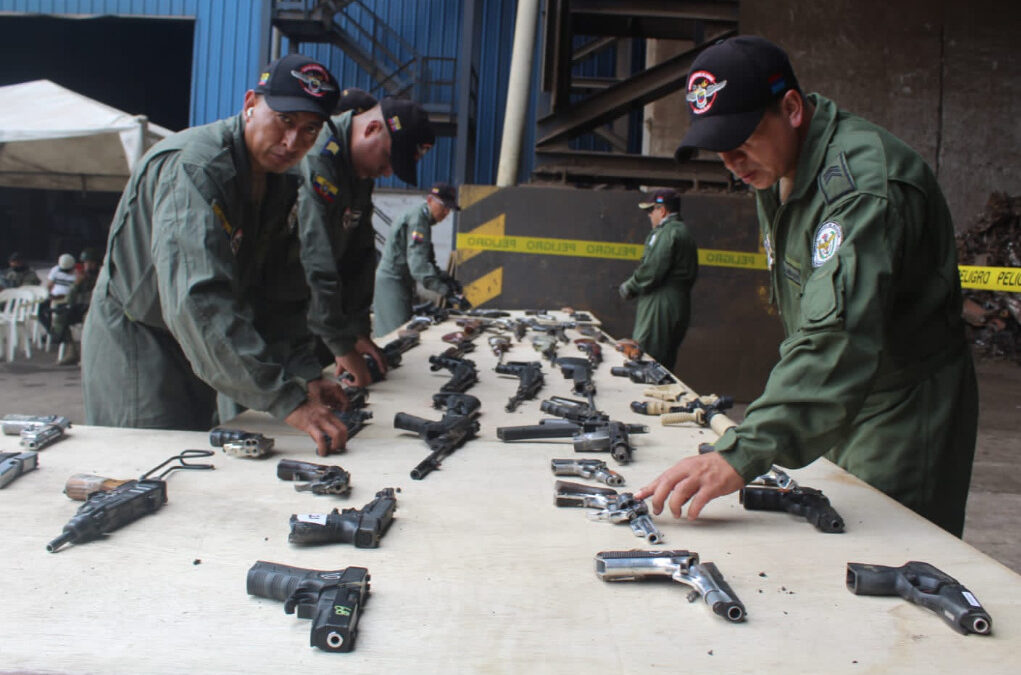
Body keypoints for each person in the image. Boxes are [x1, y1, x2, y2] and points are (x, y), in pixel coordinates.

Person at [637, 35, 977, 536]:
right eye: (719, 146)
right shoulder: (777, 168)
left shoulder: (862, 186)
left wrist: (742, 450)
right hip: (838, 393)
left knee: (888, 559)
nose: (730, 159)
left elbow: (836, 334)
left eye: (741, 137)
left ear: (791, 108)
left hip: (899, 409)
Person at [82, 53, 351, 455]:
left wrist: (304, 373)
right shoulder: (196, 168)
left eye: (310, 130)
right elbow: (197, 299)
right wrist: (289, 402)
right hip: (141, 336)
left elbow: (281, 294)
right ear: (250, 106)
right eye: (285, 120)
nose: (293, 142)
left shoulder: (280, 184)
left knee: (194, 461)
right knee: (149, 468)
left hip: (193, 340)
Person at [296, 94, 435, 386]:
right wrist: (341, 344)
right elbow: (315, 259)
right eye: (387, 158)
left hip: (312, 311)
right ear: (371, 129)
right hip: (268, 311)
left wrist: (357, 331)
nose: (386, 172)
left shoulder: (357, 170)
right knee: (257, 418)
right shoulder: (318, 156)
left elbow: (359, 254)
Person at [618, 188, 698, 370]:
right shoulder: (682, 231)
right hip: (676, 303)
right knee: (663, 363)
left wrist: (630, 286)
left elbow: (652, 269)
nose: (649, 216)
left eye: (650, 210)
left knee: (646, 358)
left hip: (660, 304)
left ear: (662, 210)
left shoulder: (666, 233)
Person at [373, 182, 461, 338]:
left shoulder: (422, 219)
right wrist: (444, 291)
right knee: (393, 336)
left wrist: (445, 278)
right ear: (429, 200)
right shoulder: (418, 221)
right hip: (392, 281)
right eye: (444, 207)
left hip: (401, 280)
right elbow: (419, 267)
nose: (446, 212)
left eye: (449, 209)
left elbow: (426, 260)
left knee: (403, 332)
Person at [49, 248, 102, 366]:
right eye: (85, 263)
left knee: (86, 321)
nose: (87, 266)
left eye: (90, 263)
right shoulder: (82, 278)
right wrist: (76, 285)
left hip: (97, 309)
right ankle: (71, 351)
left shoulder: (102, 276)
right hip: (82, 307)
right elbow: (71, 299)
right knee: (60, 318)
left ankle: (87, 356)